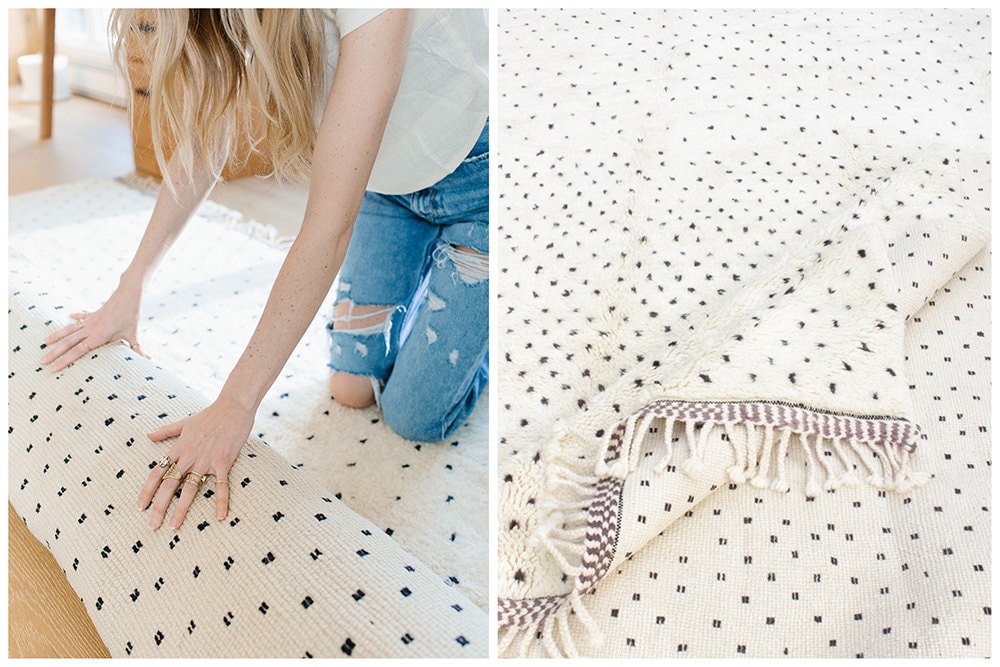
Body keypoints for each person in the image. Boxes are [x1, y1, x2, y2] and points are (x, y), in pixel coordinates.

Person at [39, 9, 489, 531]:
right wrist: (131, 286)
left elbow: (327, 229)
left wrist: (235, 403)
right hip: (387, 187)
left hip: (480, 184)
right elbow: (207, 141)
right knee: (351, 391)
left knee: (416, 418)